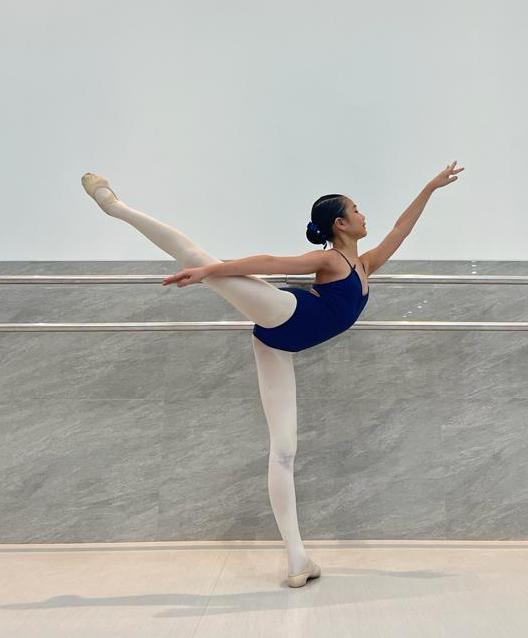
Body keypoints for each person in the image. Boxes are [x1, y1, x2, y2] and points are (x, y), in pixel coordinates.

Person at [81, 161, 463, 587]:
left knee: (284, 451)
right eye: (356, 209)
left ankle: (298, 560)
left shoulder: (365, 265)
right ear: (340, 224)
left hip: (277, 346)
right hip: (287, 313)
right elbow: (270, 261)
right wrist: (210, 274)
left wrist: (430, 187)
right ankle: (115, 206)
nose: (363, 214)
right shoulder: (330, 259)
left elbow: (400, 230)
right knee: (199, 259)